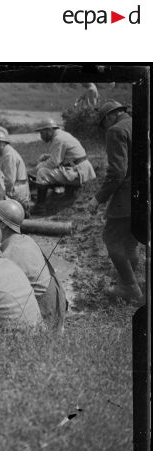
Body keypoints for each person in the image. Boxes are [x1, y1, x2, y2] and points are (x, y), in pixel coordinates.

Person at [87, 100, 143, 305]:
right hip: (143, 194)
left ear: (109, 116)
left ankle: (129, 286)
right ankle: (125, 283)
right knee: (130, 240)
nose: (105, 128)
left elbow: (117, 173)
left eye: (104, 124)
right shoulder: (140, 123)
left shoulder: (116, 131)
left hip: (127, 196)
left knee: (111, 239)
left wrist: (97, 199)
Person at [0, 199, 67, 330]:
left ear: (1, 224)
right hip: (56, 307)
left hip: (43, 315)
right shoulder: (25, 240)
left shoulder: (10, 253)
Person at [33, 119, 96, 213]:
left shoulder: (58, 139)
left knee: (42, 172)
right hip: (80, 169)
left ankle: (40, 207)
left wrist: (38, 167)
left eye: (42, 133)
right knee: (47, 169)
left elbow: (54, 163)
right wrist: (48, 156)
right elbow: (63, 156)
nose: (41, 136)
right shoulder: (62, 135)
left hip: (78, 172)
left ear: (49, 130)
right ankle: (60, 193)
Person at [0, 130, 31, 215]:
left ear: (1, 144)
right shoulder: (5, 153)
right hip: (17, 189)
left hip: (17, 192)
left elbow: (9, 182)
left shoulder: (8, 156)